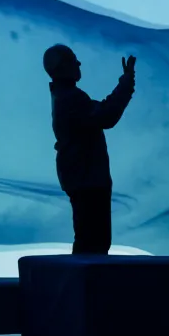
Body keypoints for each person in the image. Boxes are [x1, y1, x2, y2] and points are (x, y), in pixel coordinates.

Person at [43, 44, 136, 255]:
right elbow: (107, 115)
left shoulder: (65, 96)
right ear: (62, 67)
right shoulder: (71, 99)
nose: (79, 63)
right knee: (93, 243)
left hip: (81, 178)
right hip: (87, 179)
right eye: (73, 59)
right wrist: (127, 81)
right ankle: (84, 287)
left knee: (89, 239)